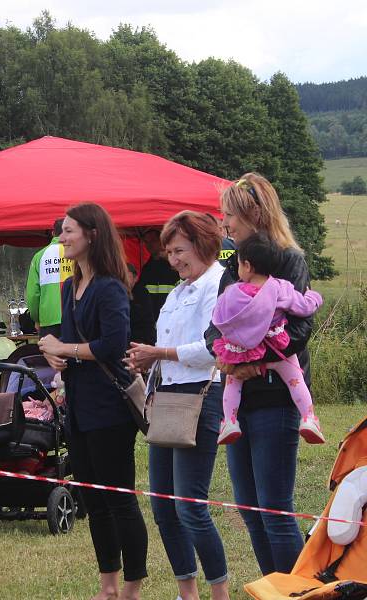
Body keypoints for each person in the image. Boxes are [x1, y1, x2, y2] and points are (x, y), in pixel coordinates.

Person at [38, 203, 147, 600]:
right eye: (62, 231)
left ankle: (133, 587)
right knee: (94, 500)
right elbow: (68, 344)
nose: (62, 238)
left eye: (68, 231)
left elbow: (113, 345)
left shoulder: (111, 287)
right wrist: (54, 355)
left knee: (120, 499)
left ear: (92, 235)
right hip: (79, 408)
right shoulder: (69, 287)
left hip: (111, 408)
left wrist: (65, 347)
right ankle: (109, 587)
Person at [205, 173, 312, 575]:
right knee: (250, 510)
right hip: (239, 400)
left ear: (253, 214)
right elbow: (215, 324)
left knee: (274, 511)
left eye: (228, 215)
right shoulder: (234, 264)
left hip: (276, 398)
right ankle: (273, 587)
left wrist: (251, 360)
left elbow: (299, 330)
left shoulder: (289, 261)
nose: (224, 223)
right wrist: (224, 354)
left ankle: (298, 590)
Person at [125, 211, 229, 600]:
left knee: (190, 506)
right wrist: (147, 360)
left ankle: (220, 592)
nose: (173, 259)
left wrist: (161, 352)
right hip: (167, 397)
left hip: (201, 396)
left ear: (203, 245)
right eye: (168, 252)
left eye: (179, 250)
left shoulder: (218, 284)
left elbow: (212, 349)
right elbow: (167, 350)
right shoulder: (177, 291)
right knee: (163, 506)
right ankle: (189, 592)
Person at [212, 232, 324, 445]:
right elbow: (303, 307)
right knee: (295, 379)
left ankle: (229, 421)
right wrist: (314, 297)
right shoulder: (280, 288)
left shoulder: (234, 292)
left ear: (247, 265)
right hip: (276, 346)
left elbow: (218, 318)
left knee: (233, 383)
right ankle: (309, 418)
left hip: (242, 351)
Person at [26, 219, 73, 338]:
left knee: (52, 356)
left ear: (53, 233)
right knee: (76, 355)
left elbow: (33, 294)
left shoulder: (39, 256)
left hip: (48, 319)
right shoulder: (79, 253)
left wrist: (36, 318)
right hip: (76, 317)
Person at [138, 228, 178, 318]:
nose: (149, 245)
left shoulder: (175, 263)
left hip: (173, 314)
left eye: (153, 240)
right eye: (146, 241)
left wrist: (169, 259)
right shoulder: (147, 267)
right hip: (152, 316)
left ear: (161, 241)